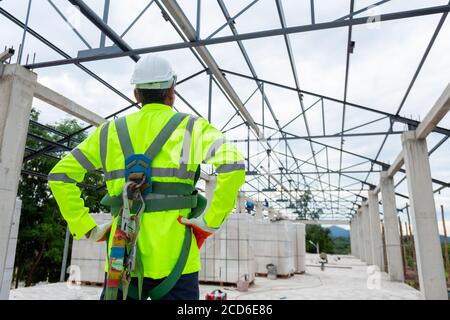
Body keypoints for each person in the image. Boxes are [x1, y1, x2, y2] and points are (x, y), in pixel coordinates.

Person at [48, 55, 246, 300]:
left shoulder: (109, 133)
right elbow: (234, 164)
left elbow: (59, 176)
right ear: (172, 91)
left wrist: (87, 228)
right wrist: (211, 220)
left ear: (136, 95)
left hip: (122, 259)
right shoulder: (192, 129)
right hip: (177, 261)